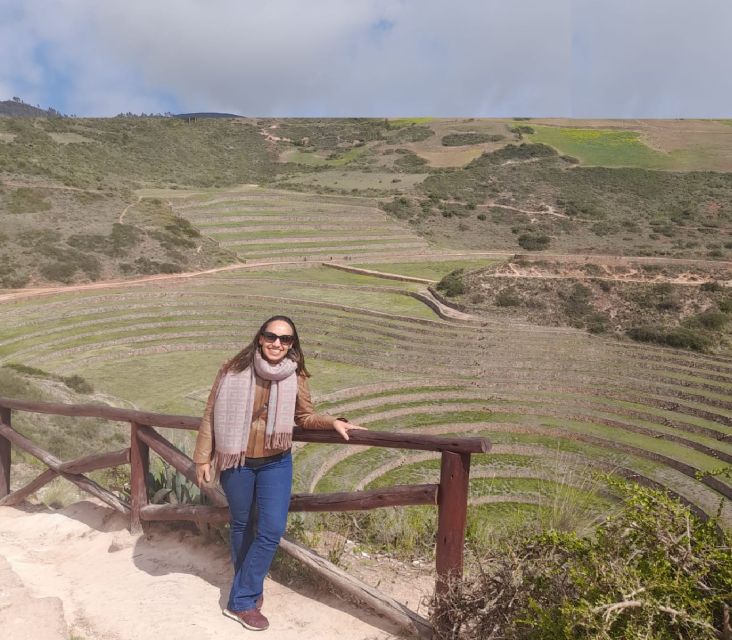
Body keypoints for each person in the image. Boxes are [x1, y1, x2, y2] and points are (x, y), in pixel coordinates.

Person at [193, 315, 365, 631]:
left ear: (292, 344)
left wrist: (333, 422)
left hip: (276, 461)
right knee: (242, 525)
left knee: (271, 528)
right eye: (271, 336)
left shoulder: (294, 374)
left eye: (285, 339)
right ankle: (248, 594)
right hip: (238, 461)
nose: (277, 343)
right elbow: (209, 414)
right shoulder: (232, 369)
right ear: (260, 338)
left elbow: (305, 416)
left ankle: (240, 599)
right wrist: (202, 457)